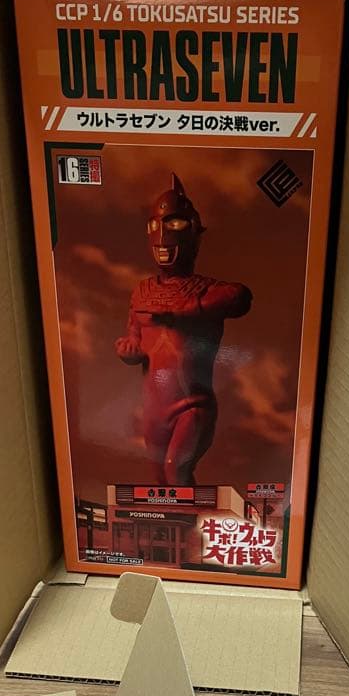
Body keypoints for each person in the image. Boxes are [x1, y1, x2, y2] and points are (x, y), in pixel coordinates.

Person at [115, 173, 252, 485]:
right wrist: (128, 350)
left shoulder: (206, 289)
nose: (163, 234)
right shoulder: (142, 292)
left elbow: (240, 297)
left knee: (175, 470)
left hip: (192, 405)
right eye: (156, 225)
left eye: (174, 224)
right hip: (153, 412)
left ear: (194, 234)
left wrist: (184, 311)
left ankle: (194, 519)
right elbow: (134, 340)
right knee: (159, 481)